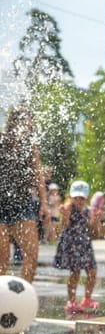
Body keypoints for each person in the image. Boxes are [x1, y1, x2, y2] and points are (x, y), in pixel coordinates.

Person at [0, 107, 49, 283]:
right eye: (22, 121)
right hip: (0, 206)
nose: (26, 126)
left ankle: (23, 296)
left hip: (23, 205)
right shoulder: (1, 141)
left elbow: (37, 175)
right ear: (13, 123)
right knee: (2, 259)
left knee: (31, 256)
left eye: (29, 123)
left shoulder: (30, 146)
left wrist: (44, 203)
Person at [53, 180, 103, 312]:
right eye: (76, 198)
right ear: (71, 197)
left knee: (92, 271)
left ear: (87, 197)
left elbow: (93, 233)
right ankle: (72, 301)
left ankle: (87, 299)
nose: (79, 201)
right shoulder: (68, 208)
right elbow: (64, 227)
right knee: (75, 273)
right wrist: (65, 216)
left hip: (85, 245)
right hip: (72, 245)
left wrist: (96, 221)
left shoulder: (89, 211)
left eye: (82, 198)